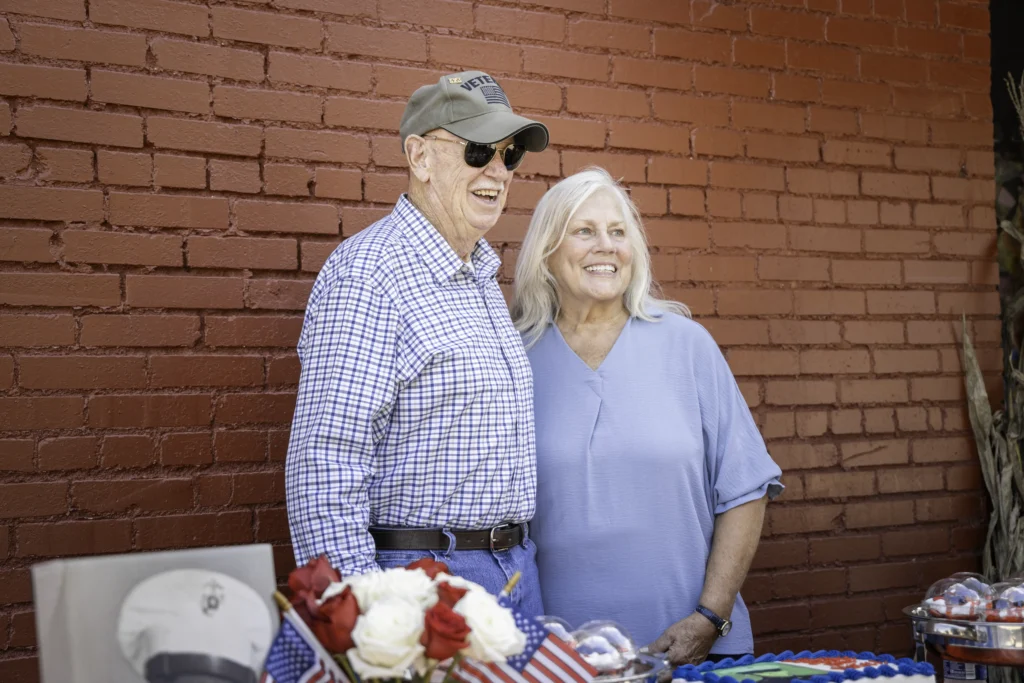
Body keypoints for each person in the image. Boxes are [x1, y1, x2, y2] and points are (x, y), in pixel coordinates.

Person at [284, 70, 549, 616]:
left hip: (514, 572)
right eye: (479, 151)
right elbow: (325, 465)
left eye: (510, 155)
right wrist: (361, 620)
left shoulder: (478, 273)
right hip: (423, 582)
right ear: (420, 157)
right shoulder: (370, 274)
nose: (498, 171)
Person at [511, 168, 783, 663]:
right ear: (547, 250)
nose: (606, 246)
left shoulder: (686, 344)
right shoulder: (514, 358)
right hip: (559, 657)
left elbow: (746, 489)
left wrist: (710, 616)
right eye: (584, 231)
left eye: (618, 232)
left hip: (694, 648)